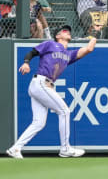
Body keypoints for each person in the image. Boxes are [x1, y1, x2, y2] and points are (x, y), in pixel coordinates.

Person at [6, 25, 97, 159]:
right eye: (64, 31)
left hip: (44, 86)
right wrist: (26, 63)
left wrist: (96, 33)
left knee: (39, 123)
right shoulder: (50, 44)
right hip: (41, 83)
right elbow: (32, 52)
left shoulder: (69, 54)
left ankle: (15, 148)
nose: (68, 32)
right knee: (65, 111)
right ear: (58, 36)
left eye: (69, 31)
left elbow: (89, 48)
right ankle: (65, 148)